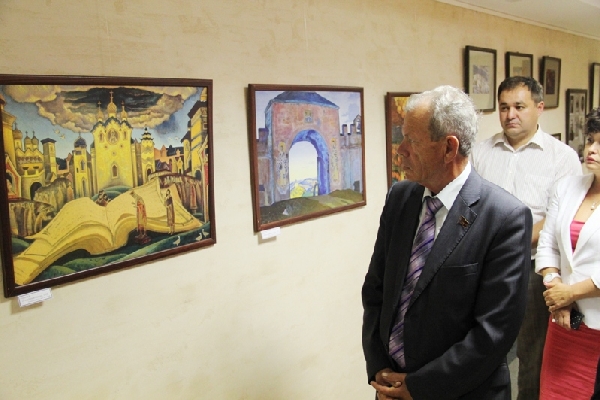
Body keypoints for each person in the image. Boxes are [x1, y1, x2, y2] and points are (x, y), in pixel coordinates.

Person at [362, 86, 532, 399]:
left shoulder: (505, 218)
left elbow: (493, 333)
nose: (401, 150)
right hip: (392, 387)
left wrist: (418, 387)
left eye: (411, 141)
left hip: (461, 392)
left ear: (449, 148)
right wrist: (379, 369)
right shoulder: (400, 197)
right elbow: (376, 291)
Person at [471, 76, 582, 400]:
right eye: (504, 107)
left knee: (532, 354)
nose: (510, 115)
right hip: (485, 268)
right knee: (482, 347)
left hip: (534, 270)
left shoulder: (562, 158)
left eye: (519, 107)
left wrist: (511, 244)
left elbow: (559, 219)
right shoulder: (480, 152)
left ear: (539, 107)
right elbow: (467, 206)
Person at [535, 108, 600, 399]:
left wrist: (571, 293)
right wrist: (557, 293)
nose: (592, 149)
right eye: (590, 140)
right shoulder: (568, 187)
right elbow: (547, 244)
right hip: (564, 321)